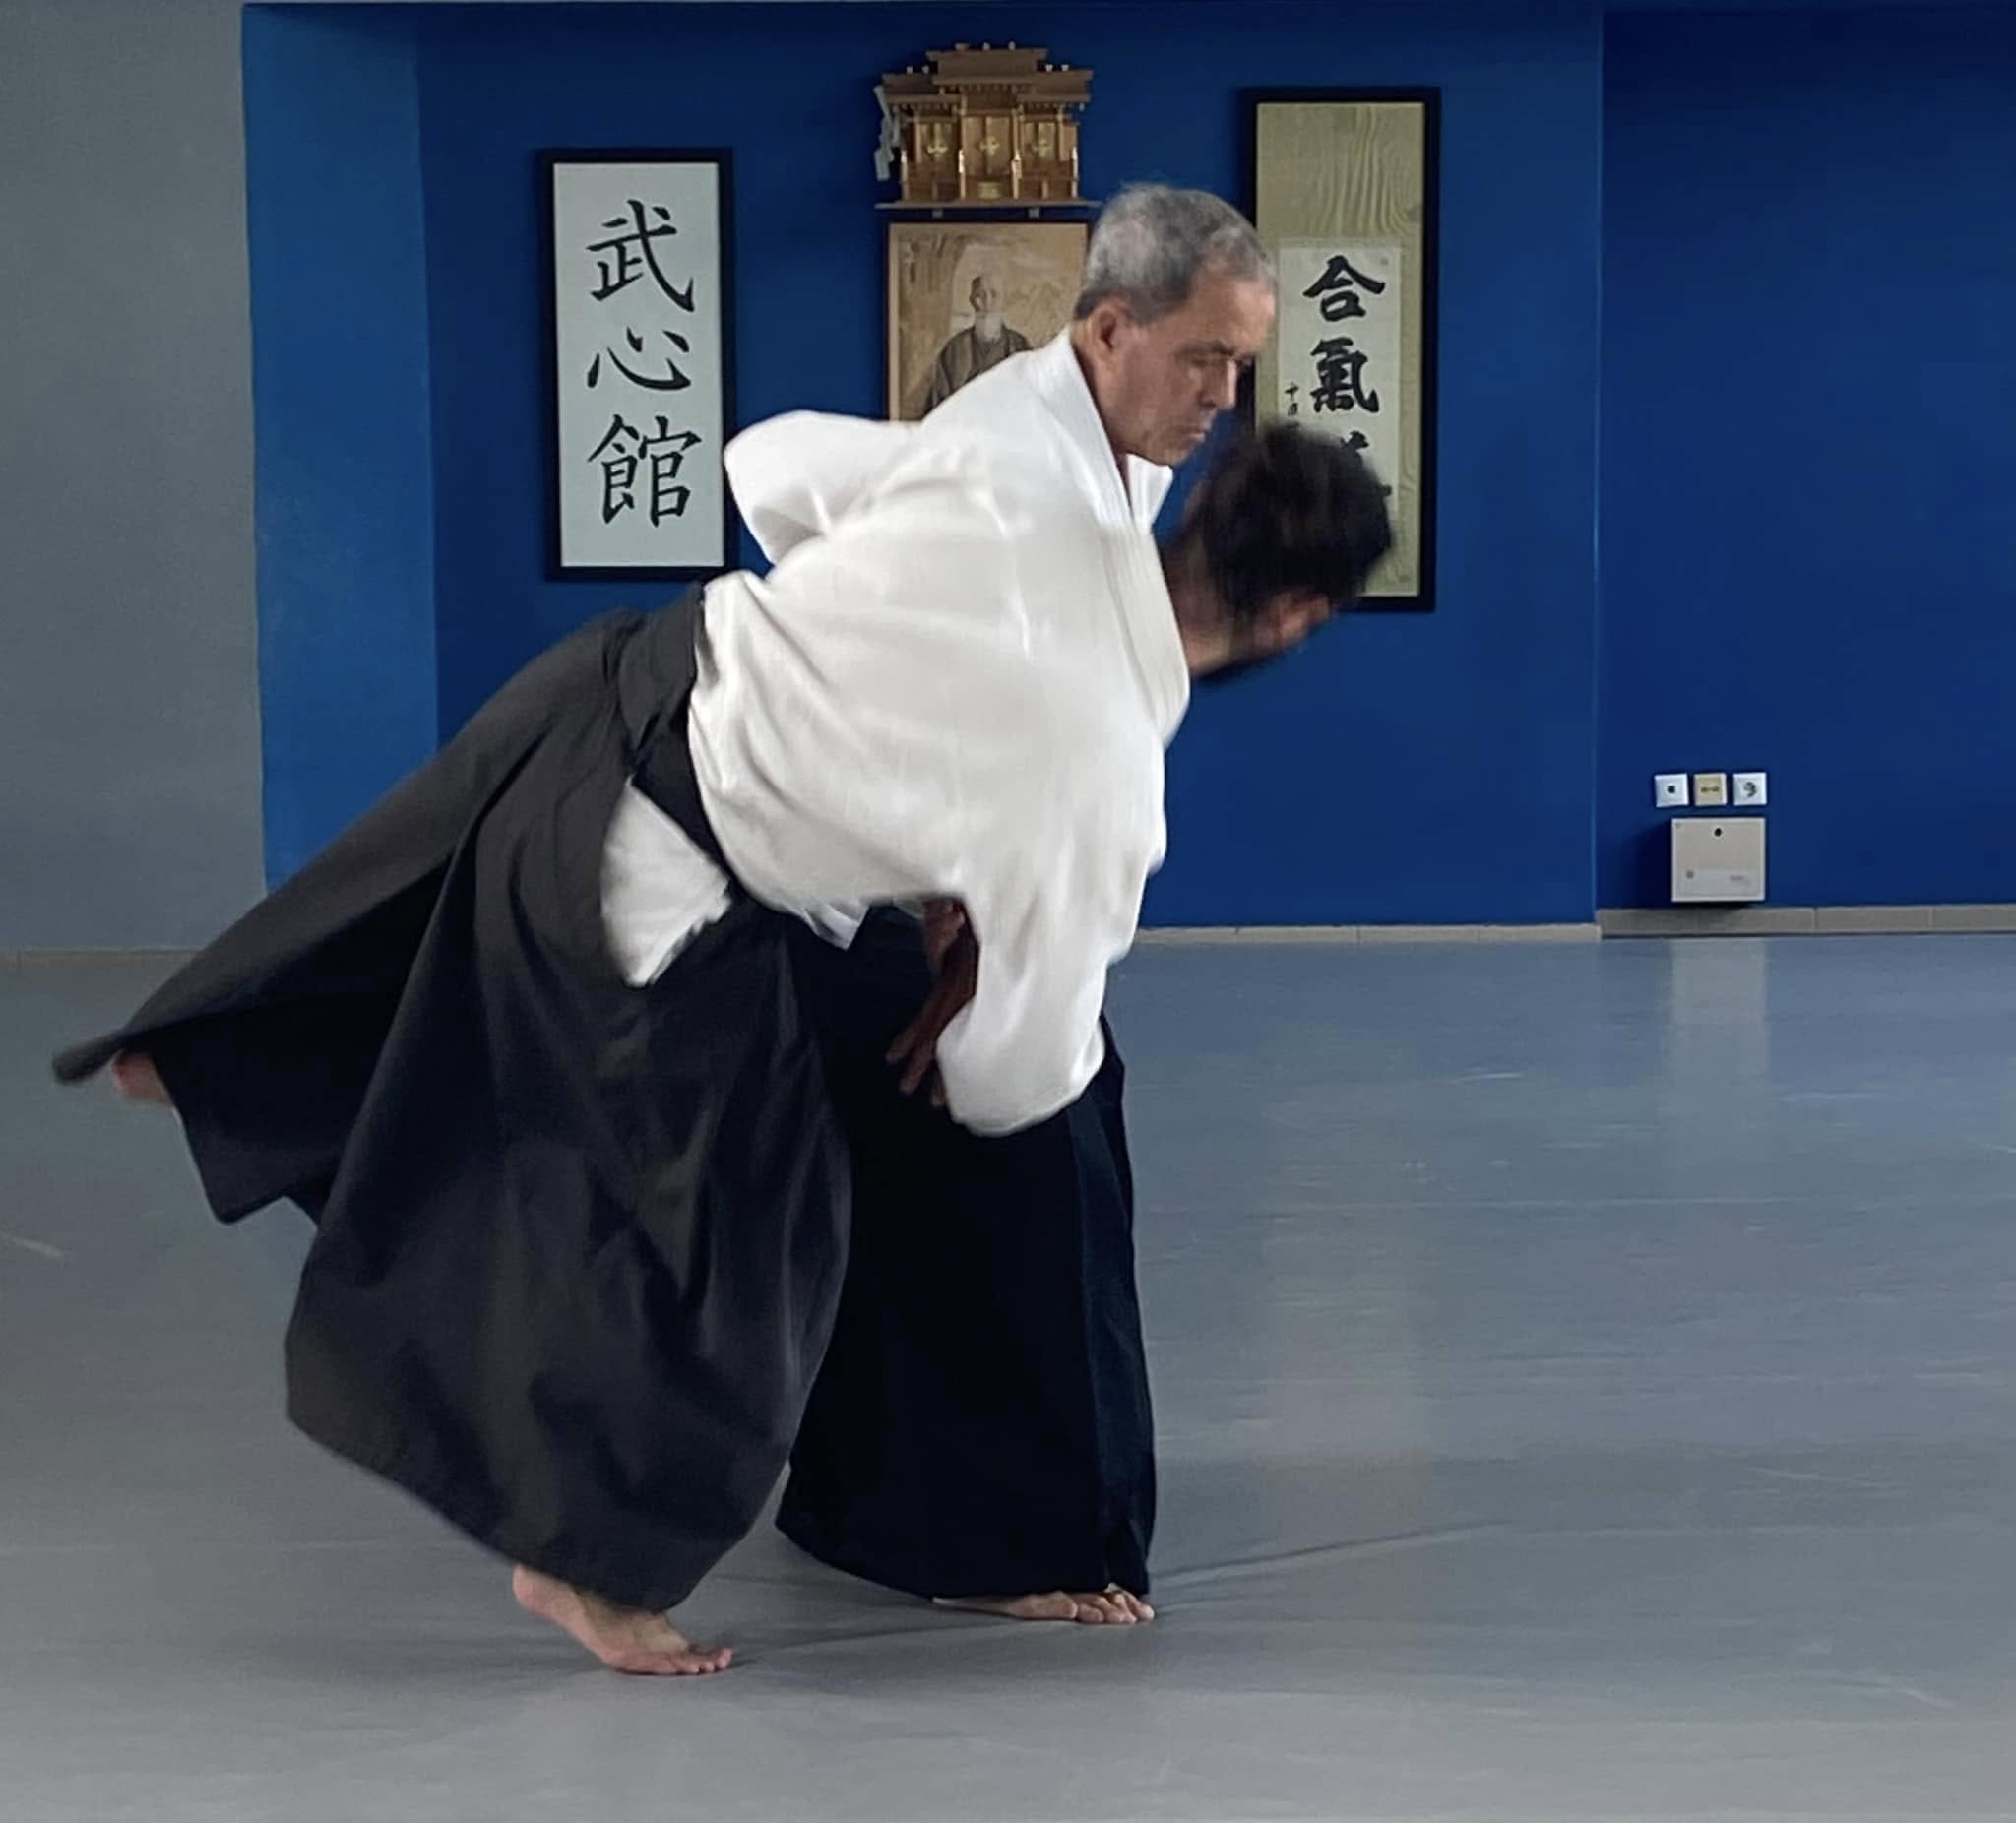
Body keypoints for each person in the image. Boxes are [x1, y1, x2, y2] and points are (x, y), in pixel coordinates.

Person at [52, 384, 1392, 1674]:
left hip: (601, 707)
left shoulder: (1020, 500)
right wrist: (974, 1014)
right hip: (675, 870)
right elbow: (1014, 1073)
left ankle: (229, 1059)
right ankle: (581, 1557)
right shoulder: (1104, 763)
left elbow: (770, 466)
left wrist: (937, 864)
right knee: (740, 1241)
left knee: (455, 939)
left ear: (1199, 506)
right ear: (1297, 617)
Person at [776, 186, 1285, 1625]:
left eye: (1241, 365)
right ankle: (1020, 1545)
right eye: (1202, 358)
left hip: (906, 852)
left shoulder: (1106, 442)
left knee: (994, 1143)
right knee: (1032, 1149)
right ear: (1109, 329)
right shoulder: (1013, 471)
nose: (1221, 396)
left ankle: (864, 1500)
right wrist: (976, 911)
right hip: (803, 860)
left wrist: (970, 895)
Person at [917, 273, 1034, 414]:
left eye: (994, 295)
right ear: (971, 300)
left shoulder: (1020, 346)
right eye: (980, 295)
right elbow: (938, 406)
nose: (987, 303)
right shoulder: (953, 349)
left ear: (1004, 300)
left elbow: (1031, 401)